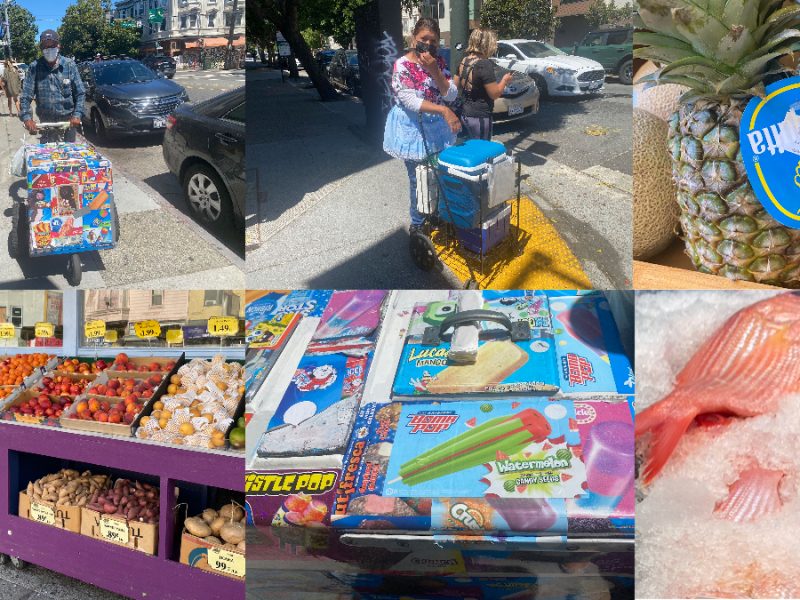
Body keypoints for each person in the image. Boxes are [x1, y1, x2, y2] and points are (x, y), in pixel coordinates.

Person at [383, 17, 461, 233]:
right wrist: (444, 110)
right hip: (412, 130)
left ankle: (434, 213)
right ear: (413, 38)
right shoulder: (402, 65)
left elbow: (451, 95)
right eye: (423, 39)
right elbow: (410, 100)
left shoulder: (438, 62)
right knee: (418, 179)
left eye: (433, 41)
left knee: (437, 174)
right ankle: (417, 224)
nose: (428, 44)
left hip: (436, 130)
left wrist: (435, 71)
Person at [19, 29, 85, 142]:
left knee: (68, 157)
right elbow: (25, 96)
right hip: (45, 125)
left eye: (52, 45)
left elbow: (80, 93)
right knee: (47, 157)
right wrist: (27, 118)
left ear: (58, 46)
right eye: (45, 46)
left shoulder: (69, 65)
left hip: (67, 123)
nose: (49, 49)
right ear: (41, 49)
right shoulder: (34, 67)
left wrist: (77, 114)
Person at [453, 28, 513, 140]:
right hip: (480, 116)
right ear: (488, 44)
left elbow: (454, 87)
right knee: (482, 151)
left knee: (470, 148)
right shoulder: (484, 64)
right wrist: (505, 80)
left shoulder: (464, 61)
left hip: (465, 114)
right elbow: (494, 94)